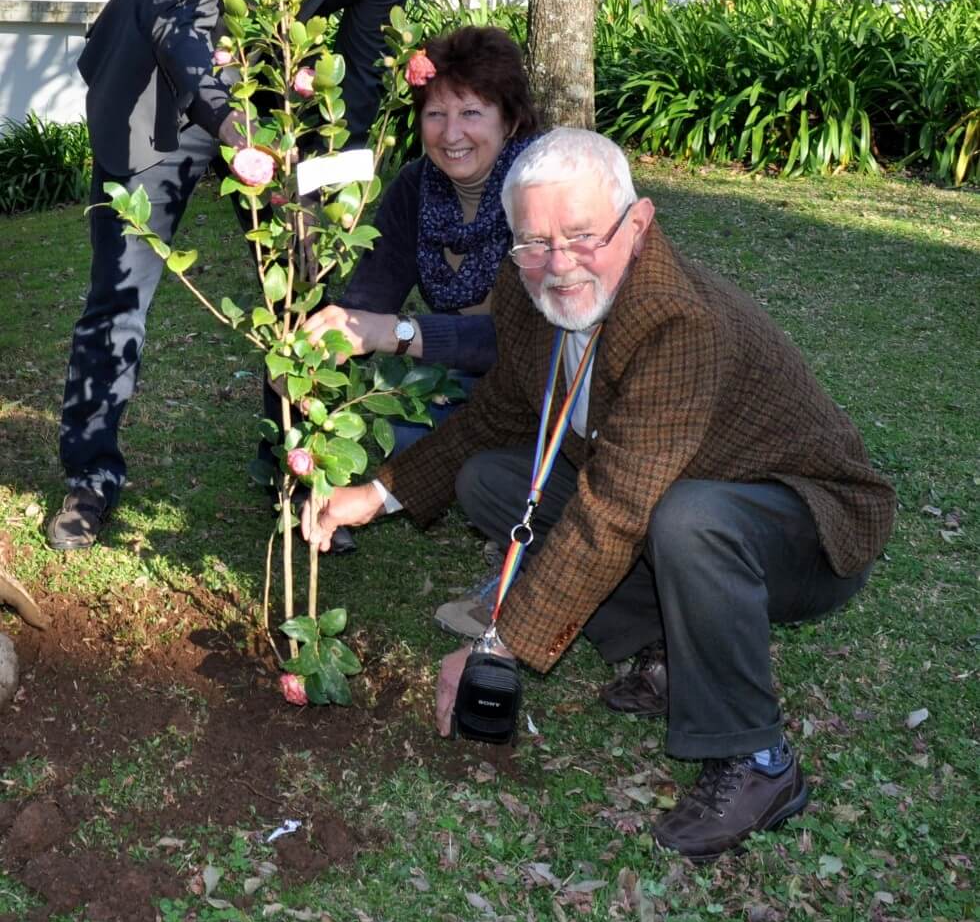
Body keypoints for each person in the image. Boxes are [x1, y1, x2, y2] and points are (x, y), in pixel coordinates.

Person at [301, 128, 896, 861]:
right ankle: (670, 654)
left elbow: (614, 509)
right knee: (490, 479)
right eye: (534, 243)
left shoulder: (679, 321)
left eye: (583, 235)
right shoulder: (527, 297)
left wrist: (502, 644)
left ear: (638, 225)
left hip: (807, 519)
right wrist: (378, 492)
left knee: (687, 519)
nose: (560, 265)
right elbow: (494, 419)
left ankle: (760, 761)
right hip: (675, 491)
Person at [47, 0, 432, 552]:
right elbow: (180, 17)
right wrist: (235, 134)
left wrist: (331, 178)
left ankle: (295, 477)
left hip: (276, 97)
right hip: (155, 82)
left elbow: (359, 67)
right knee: (124, 282)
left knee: (308, 282)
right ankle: (90, 478)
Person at [303, 24, 539, 422]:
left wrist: (396, 332)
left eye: (471, 113)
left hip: (542, 389)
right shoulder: (417, 186)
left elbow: (524, 341)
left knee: (423, 449)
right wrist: (319, 349)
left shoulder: (539, 188)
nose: (451, 134)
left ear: (510, 120)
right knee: (402, 429)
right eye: (435, 114)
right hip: (458, 378)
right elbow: (368, 302)